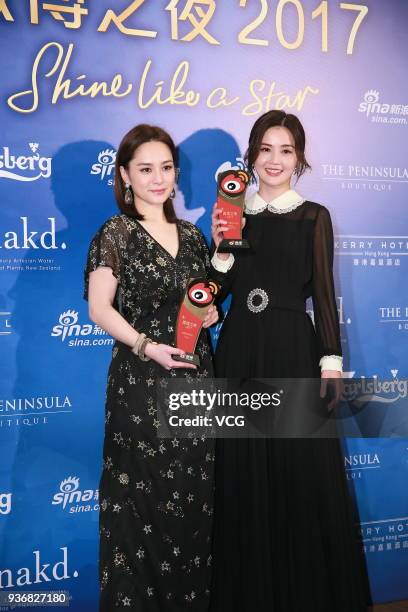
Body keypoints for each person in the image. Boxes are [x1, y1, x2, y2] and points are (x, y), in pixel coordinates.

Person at [209, 111, 369, 611]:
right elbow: (217, 293)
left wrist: (330, 362)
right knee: (244, 468)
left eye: (285, 150)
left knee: (299, 470)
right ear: (251, 155)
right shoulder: (233, 212)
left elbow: (323, 294)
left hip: (294, 350)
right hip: (238, 348)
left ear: (299, 157)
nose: (274, 160)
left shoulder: (313, 216)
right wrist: (219, 249)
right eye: (265, 149)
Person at [84, 124, 218, 611]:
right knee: (139, 512)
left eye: (166, 168)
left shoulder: (192, 234)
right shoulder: (116, 233)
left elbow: (200, 303)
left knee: (192, 506)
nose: (158, 179)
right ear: (125, 175)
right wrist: (146, 345)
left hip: (197, 383)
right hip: (140, 387)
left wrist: (209, 313)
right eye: (145, 169)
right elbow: (99, 309)